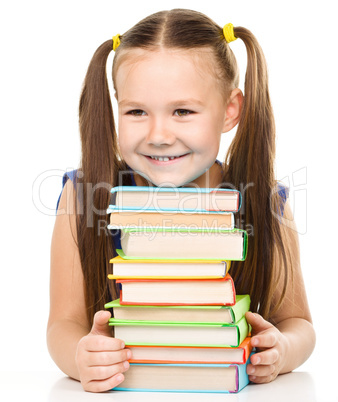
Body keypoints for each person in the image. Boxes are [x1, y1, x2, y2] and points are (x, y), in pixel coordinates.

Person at [47, 8, 315, 393]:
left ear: (229, 110)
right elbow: (63, 324)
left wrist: (283, 349)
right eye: (136, 111)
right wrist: (79, 356)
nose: (159, 134)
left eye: (183, 111)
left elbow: (299, 324)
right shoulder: (83, 195)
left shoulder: (265, 201)